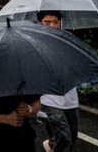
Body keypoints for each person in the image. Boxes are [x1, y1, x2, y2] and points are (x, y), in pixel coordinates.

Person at [36, 11, 79, 152]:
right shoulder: (35, 43)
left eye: (55, 22)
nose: (52, 25)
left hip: (70, 96)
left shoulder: (69, 40)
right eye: (47, 22)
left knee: (72, 136)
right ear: (40, 23)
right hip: (49, 99)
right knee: (64, 137)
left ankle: (50, 145)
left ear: (60, 23)